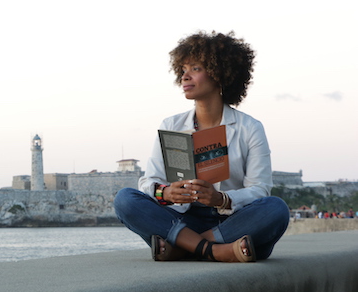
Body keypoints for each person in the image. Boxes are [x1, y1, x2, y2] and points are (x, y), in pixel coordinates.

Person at [114, 31, 290, 262]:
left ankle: (183, 247)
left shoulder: (250, 128)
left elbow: (259, 190)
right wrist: (165, 192)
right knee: (124, 199)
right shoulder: (172, 125)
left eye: (195, 69)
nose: (185, 77)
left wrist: (221, 199)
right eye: (183, 70)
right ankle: (215, 251)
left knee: (276, 209)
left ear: (220, 74)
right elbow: (148, 182)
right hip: (182, 219)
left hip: (231, 221)